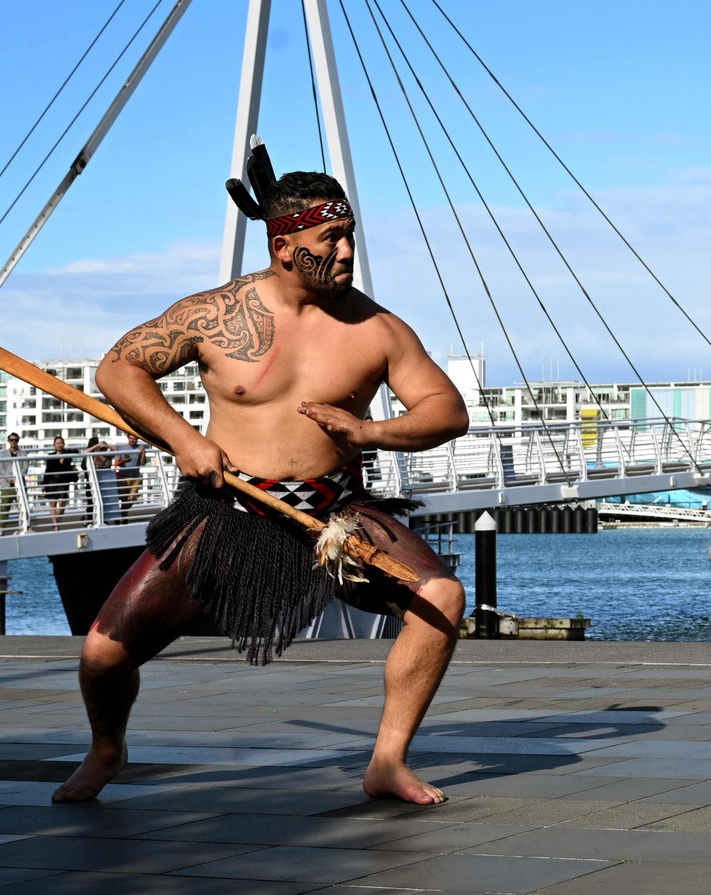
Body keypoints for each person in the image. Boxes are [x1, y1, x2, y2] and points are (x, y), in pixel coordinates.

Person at [52, 149, 468, 808]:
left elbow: (448, 411)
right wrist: (184, 438)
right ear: (284, 245)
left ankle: (387, 760)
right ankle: (107, 748)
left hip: (332, 515)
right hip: (227, 512)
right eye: (329, 237)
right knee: (103, 655)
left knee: (440, 597)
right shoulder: (215, 315)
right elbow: (117, 371)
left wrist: (368, 432)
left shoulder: (377, 329)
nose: (345, 250)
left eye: (350, 235)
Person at [41, 435, 78, 530]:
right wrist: (44, 484)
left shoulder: (67, 454)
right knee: (53, 503)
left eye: (61, 443)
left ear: (64, 444)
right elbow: (47, 470)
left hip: (63, 481)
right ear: (54, 445)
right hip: (52, 481)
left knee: (62, 504)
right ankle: (56, 525)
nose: (59, 445)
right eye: (57, 443)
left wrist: (64, 456)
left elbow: (76, 451)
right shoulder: (51, 456)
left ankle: (57, 520)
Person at [83, 435, 119, 523]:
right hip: (95, 480)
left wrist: (107, 446)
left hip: (106, 481)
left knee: (106, 501)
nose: (102, 450)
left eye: (104, 448)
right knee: (92, 501)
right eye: (101, 448)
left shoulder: (108, 456)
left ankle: (104, 519)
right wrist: (96, 446)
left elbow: (117, 450)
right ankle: (89, 520)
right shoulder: (95, 455)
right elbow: (84, 453)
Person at [114, 433, 148, 522]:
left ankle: (121, 513)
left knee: (132, 498)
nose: (132, 440)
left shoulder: (140, 448)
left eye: (134, 439)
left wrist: (143, 453)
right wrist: (123, 461)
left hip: (135, 477)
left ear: (137, 439)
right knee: (123, 499)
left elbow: (143, 463)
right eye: (131, 438)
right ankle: (124, 517)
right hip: (122, 476)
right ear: (128, 438)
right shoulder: (122, 448)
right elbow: (117, 464)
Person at [0, 432, 24, 525]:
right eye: (11, 440)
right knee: (4, 508)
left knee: (23, 507)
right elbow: (1, 468)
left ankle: (26, 527)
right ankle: (1, 528)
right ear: (8, 441)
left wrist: (17, 478)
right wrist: (10, 478)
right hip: (7, 485)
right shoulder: (3, 454)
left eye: (15, 440)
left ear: (18, 441)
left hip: (19, 484)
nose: (13, 442)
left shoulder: (23, 454)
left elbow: (25, 467)